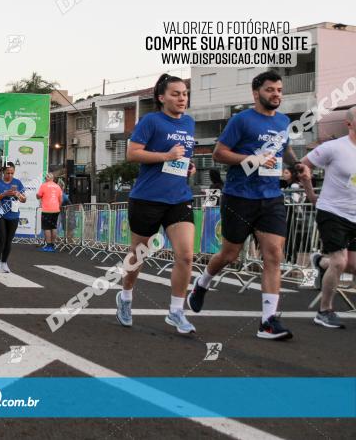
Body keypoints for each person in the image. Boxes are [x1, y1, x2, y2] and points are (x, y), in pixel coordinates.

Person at [188, 71, 301, 340]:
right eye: (270, 90)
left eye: (279, 90)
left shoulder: (284, 121)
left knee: (273, 254)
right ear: (256, 93)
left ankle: (268, 321)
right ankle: (202, 283)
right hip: (240, 196)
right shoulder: (241, 120)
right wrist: (253, 159)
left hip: (271, 197)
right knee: (229, 254)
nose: (276, 94)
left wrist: (296, 166)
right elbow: (219, 153)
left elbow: (284, 149)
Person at [116, 74, 198, 334]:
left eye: (184, 93)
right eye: (175, 93)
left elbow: (181, 158)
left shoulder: (189, 123)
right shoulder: (151, 121)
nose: (182, 98)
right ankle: (126, 296)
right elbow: (132, 153)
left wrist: (188, 166)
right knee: (138, 255)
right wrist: (167, 155)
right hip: (147, 198)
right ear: (162, 98)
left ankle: (176, 311)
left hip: (179, 198)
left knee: (186, 255)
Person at [299, 105, 356, 329]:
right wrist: (311, 193)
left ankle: (320, 262)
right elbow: (302, 165)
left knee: (351, 265)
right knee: (340, 261)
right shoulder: (333, 148)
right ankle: (324, 311)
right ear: (349, 123)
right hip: (332, 211)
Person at [0, 162, 26, 273]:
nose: (9, 175)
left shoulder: (17, 182)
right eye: (7, 173)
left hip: (13, 214)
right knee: (2, 237)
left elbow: (24, 199)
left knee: (9, 240)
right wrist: (5, 194)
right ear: (3, 172)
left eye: (12, 173)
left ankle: (4, 263)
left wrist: (18, 194)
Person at [36, 173, 64, 252]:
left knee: (47, 228)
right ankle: (52, 245)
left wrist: (37, 196)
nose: (45, 179)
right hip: (56, 209)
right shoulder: (58, 186)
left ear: (47, 178)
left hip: (47, 209)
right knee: (53, 227)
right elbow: (61, 200)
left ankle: (48, 246)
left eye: (45, 178)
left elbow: (38, 196)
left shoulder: (44, 185)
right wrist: (58, 206)